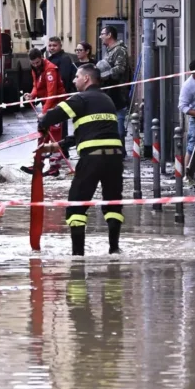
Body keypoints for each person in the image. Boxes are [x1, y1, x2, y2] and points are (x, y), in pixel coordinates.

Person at [37, 63, 125, 256]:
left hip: (91, 159)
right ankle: (114, 249)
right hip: (115, 159)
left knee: (76, 206)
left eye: (77, 76)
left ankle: (78, 257)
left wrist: (42, 123)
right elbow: (87, 133)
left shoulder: (80, 99)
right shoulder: (107, 100)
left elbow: (54, 115)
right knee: (113, 204)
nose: (74, 80)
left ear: (86, 79)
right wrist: (55, 146)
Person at [21, 48, 67, 176]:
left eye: (37, 62)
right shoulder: (35, 69)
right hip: (47, 104)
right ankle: (37, 164)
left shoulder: (50, 69)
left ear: (41, 58)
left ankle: (54, 166)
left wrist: (44, 112)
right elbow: (37, 85)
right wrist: (32, 95)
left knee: (55, 135)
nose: (35, 65)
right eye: (33, 63)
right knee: (42, 134)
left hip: (57, 105)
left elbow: (52, 94)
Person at [47, 36, 78, 157]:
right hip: (54, 96)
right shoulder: (51, 59)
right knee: (55, 124)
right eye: (50, 45)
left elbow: (63, 78)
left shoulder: (64, 59)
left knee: (61, 125)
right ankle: (56, 149)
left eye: (54, 45)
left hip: (60, 96)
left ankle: (63, 151)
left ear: (60, 46)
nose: (52, 48)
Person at [98, 25, 131, 139]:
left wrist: (102, 75)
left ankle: (121, 150)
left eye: (102, 34)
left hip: (118, 92)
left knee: (119, 121)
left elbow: (120, 69)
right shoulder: (109, 50)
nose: (100, 37)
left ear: (109, 35)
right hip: (110, 91)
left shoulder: (119, 50)